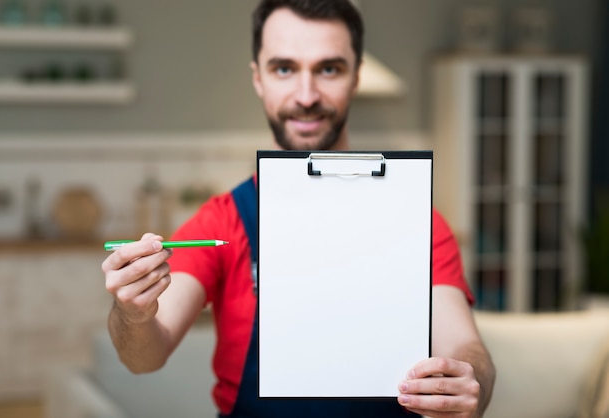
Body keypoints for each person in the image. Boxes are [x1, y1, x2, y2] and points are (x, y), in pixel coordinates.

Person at [102, 0, 496, 417]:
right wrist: (133, 312)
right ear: (258, 78)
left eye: (329, 69)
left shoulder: (417, 221)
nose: (306, 96)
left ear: (356, 75)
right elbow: (144, 357)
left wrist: (471, 382)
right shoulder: (225, 219)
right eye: (284, 68)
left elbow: (463, 346)